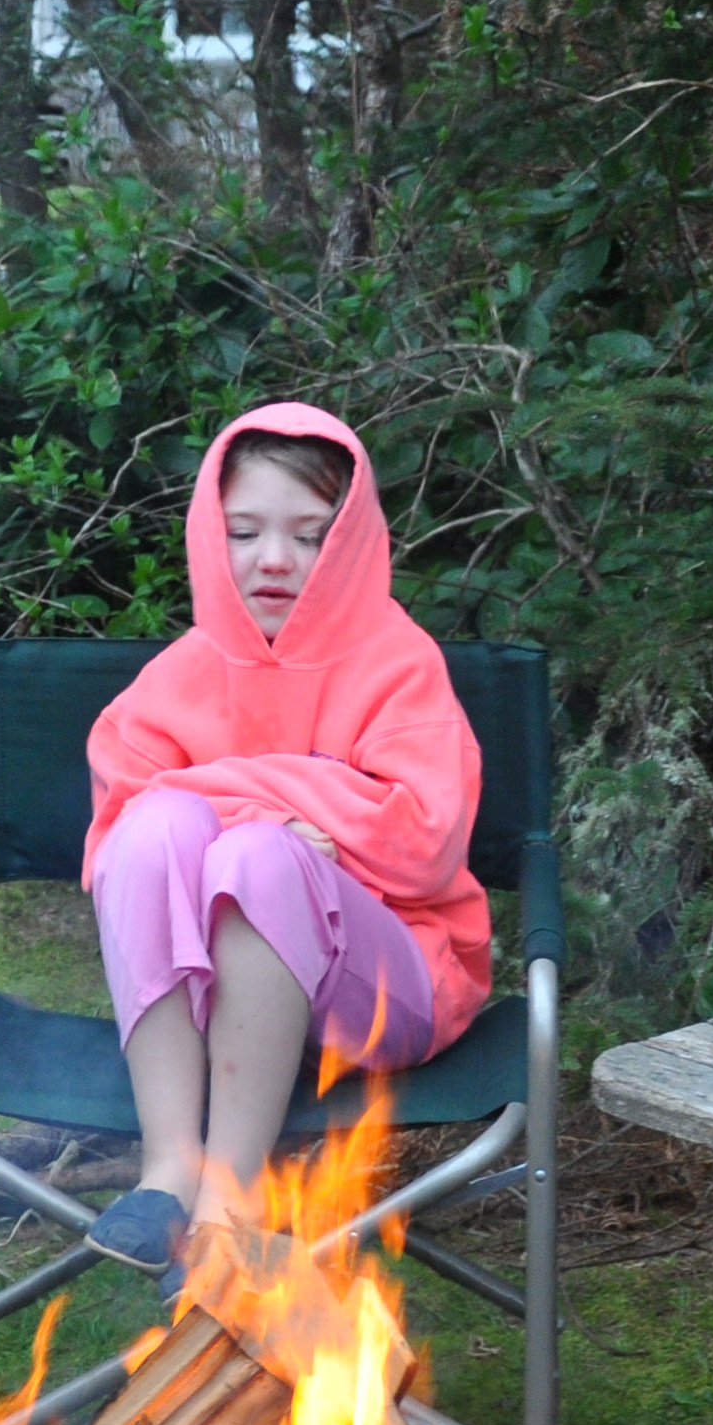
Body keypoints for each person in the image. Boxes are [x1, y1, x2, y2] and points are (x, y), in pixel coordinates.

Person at [77, 403, 489, 1290]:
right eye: (245, 532)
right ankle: (168, 1167)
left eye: (309, 537)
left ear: (350, 544)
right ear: (208, 535)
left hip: (386, 989)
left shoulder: (398, 664)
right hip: (219, 997)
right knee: (155, 831)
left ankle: (231, 1201)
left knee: (260, 861)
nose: (274, 559)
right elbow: (116, 832)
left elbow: (422, 841)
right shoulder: (181, 674)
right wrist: (285, 805)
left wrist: (254, 820)